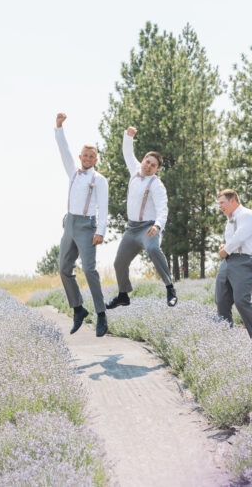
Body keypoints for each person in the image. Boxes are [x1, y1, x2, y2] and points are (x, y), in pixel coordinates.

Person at [107, 126, 177, 308]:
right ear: (143, 160)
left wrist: (158, 226)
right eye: (147, 161)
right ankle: (123, 295)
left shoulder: (157, 185)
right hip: (132, 229)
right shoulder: (135, 171)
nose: (149, 166)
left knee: (153, 249)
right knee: (119, 263)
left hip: (148, 228)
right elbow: (127, 153)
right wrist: (128, 136)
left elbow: (163, 208)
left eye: (153, 165)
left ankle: (170, 287)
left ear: (157, 169)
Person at [55, 113, 109, 337]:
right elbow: (64, 150)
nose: (87, 158)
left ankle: (101, 314)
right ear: (80, 157)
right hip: (70, 223)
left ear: (96, 159)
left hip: (87, 226)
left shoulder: (100, 179)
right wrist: (59, 127)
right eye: (85, 155)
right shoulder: (73, 173)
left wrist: (100, 231)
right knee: (63, 268)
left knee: (89, 269)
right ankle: (78, 308)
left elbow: (103, 207)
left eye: (91, 156)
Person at [215, 189, 252, 347]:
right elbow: (232, 241)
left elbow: (240, 237)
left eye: (222, 203)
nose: (220, 206)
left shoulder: (247, 214)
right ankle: (229, 344)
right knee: (221, 301)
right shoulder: (230, 220)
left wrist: (226, 249)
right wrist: (225, 246)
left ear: (232, 200)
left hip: (244, 262)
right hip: (228, 262)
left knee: (242, 301)